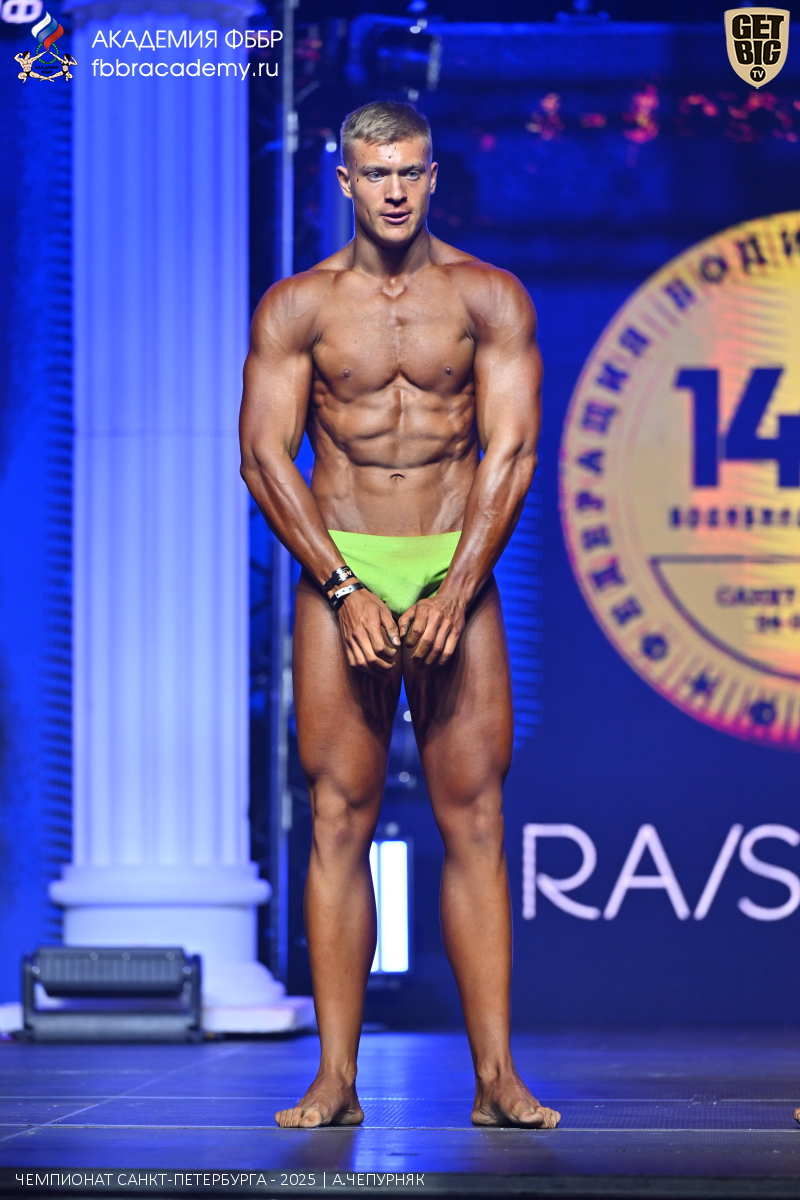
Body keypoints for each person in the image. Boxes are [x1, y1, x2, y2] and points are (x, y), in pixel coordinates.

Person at [239, 100, 558, 1132]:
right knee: (340, 818)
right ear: (344, 180)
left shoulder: (486, 297)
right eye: (374, 173)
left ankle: (496, 1080)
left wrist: (456, 587)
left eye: (410, 171)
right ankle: (335, 1080)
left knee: (476, 820)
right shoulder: (297, 307)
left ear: (432, 178)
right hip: (343, 560)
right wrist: (342, 589)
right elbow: (263, 458)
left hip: (454, 562)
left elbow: (510, 452)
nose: (393, 190)